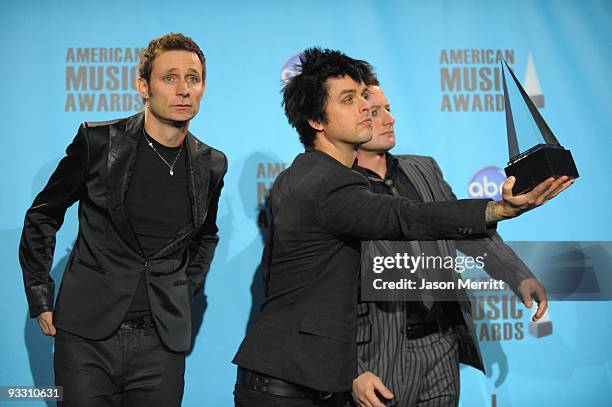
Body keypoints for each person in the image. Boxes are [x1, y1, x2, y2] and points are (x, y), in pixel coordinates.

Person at [232, 47, 571, 406]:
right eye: (351, 100)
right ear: (316, 120)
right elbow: (405, 217)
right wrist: (498, 208)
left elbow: (432, 223)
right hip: (294, 382)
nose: (367, 109)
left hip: (319, 376)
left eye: (366, 98)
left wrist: (513, 270)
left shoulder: (316, 175)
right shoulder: (322, 182)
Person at [19, 32, 227, 407]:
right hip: (86, 340)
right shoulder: (98, 142)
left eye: (192, 79)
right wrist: (39, 294)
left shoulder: (211, 163)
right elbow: (42, 216)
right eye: (170, 78)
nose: (183, 89)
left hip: (161, 345)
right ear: (142, 87)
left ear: (203, 88)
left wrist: (184, 286)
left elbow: (206, 235)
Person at [350, 77, 549, 407]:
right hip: (378, 354)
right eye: (374, 111)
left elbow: (466, 229)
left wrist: (518, 274)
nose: (389, 118)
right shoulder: (338, 188)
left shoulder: (422, 168)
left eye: (389, 108)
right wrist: (352, 369)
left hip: (443, 345)